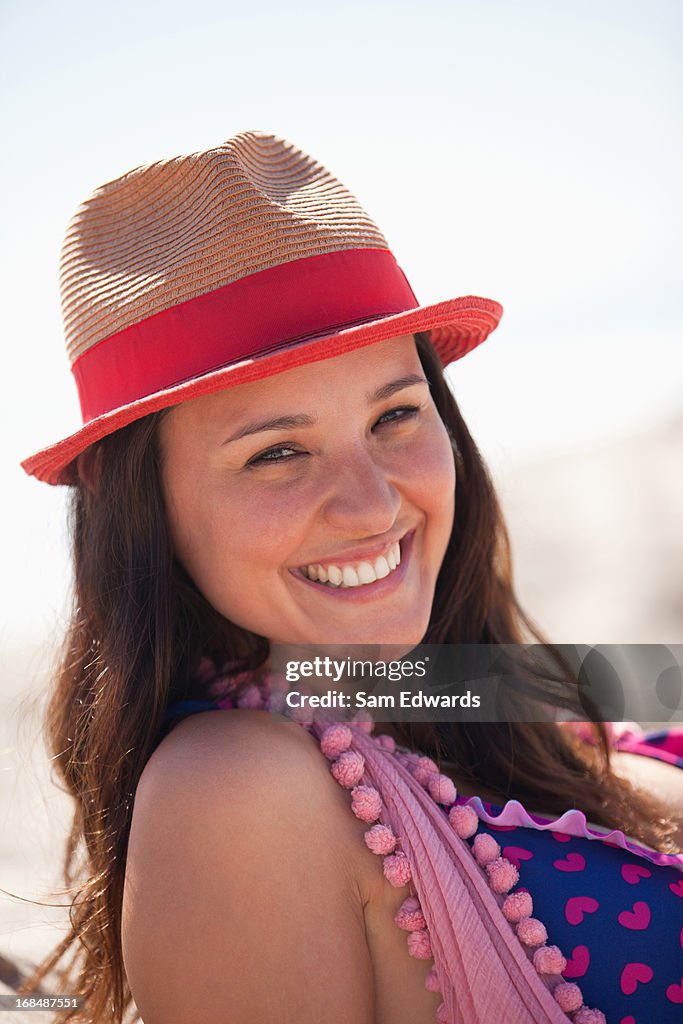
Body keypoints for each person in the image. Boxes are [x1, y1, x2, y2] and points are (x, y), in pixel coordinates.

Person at [20, 131, 682, 1024]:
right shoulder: (232, 796)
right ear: (145, 509)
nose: (372, 506)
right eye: (278, 452)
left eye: (395, 414)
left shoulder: (448, 685)